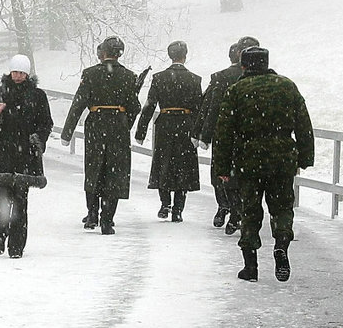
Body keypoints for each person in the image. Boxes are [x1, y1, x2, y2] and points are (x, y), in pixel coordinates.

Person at [211, 46, 313, 282]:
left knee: (250, 210)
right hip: (282, 158)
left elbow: (224, 132)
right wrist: (305, 157)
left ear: (244, 65)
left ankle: (250, 266)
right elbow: (303, 124)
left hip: (249, 158)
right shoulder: (287, 86)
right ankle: (281, 245)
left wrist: (223, 168)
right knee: (282, 207)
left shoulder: (237, 90)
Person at [60, 36, 141, 235]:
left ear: (103, 52)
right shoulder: (129, 77)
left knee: (94, 168)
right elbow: (135, 107)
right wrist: (124, 122)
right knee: (115, 173)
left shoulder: (90, 74)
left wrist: (67, 132)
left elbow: (78, 104)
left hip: (96, 125)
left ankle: (92, 213)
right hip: (118, 128)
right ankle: (107, 219)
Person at [0, 54, 54, 259]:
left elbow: (46, 123)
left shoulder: (37, 96)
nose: (18, 76)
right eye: (15, 71)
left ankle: (17, 245)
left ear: (27, 74)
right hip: (3, 151)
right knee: (3, 197)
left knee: (20, 200)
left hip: (26, 154)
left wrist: (37, 139)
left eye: (22, 72)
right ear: (10, 72)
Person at [195, 35, 260, 234]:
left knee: (221, 172)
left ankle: (227, 207)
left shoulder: (221, 77)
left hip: (226, 133)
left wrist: (204, 134)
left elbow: (211, 107)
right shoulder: (264, 78)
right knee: (246, 175)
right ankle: (238, 211)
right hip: (251, 135)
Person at [134, 40, 202, 222]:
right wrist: (199, 132)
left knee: (163, 162)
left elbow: (149, 105)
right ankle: (178, 208)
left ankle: (165, 203)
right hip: (186, 124)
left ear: (170, 55)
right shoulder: (195, 79)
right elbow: (199, 108)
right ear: (185, 55)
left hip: (164, 124)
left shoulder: (159, 78)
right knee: (184, 165)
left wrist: (141, 131)